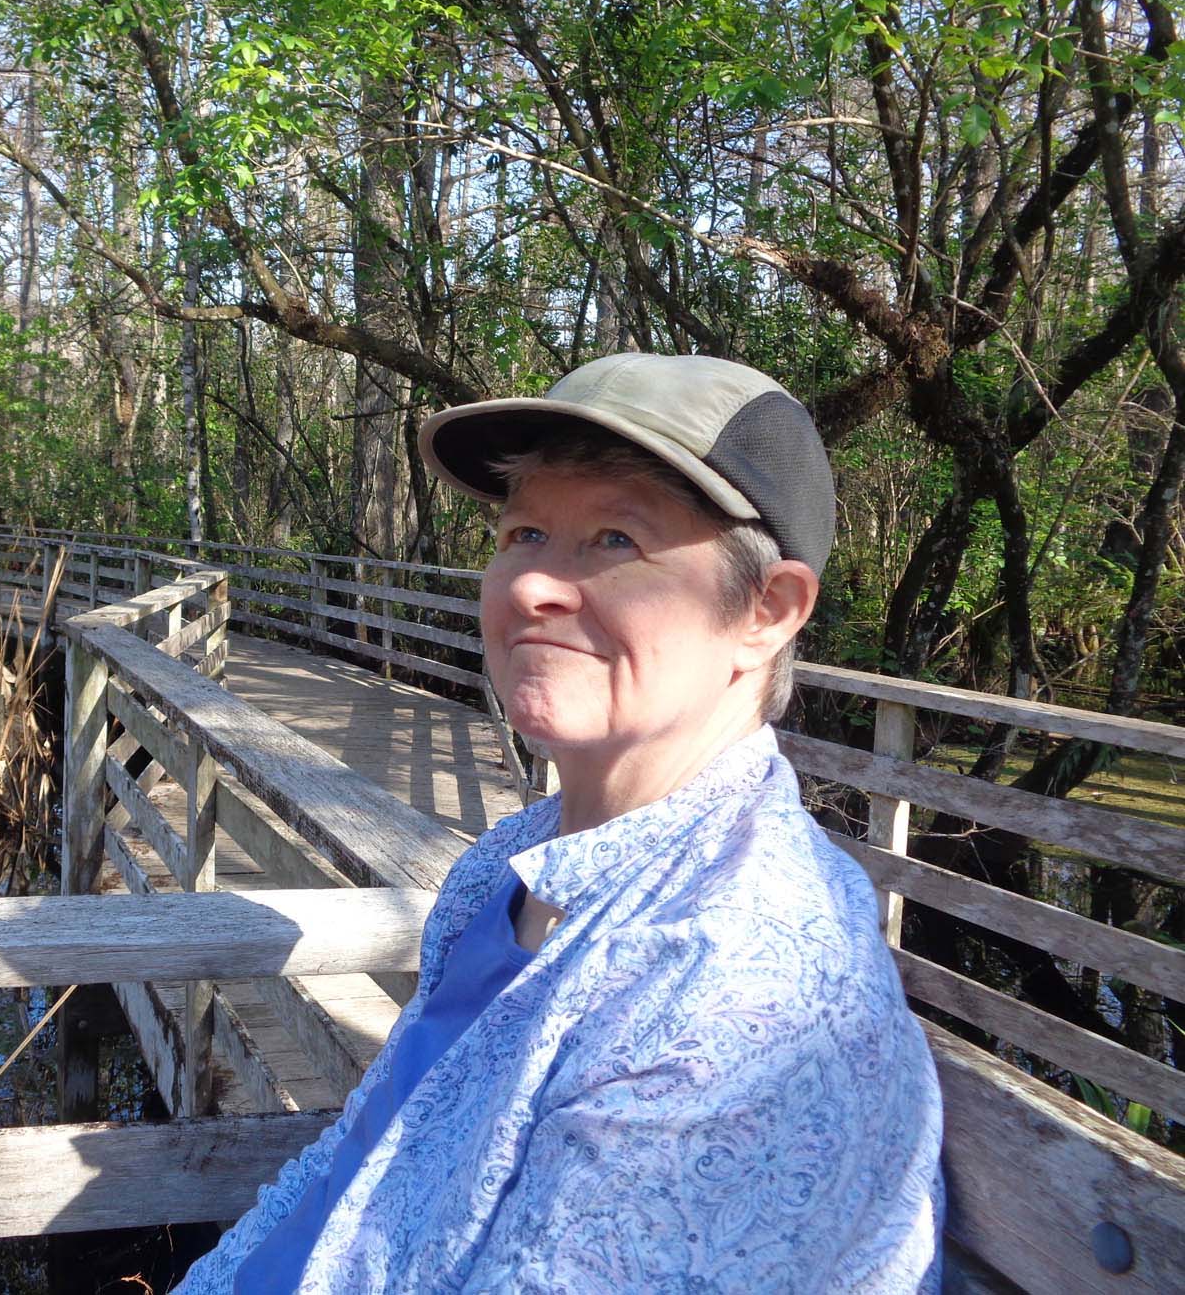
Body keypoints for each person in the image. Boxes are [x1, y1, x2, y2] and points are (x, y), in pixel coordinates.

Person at [177, 353, 944, 1293]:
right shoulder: (512, 860)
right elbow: (359, 1163)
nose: (533, 585)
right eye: (525, 532)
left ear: (766, 610)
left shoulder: (736, 991)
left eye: (616, 538)